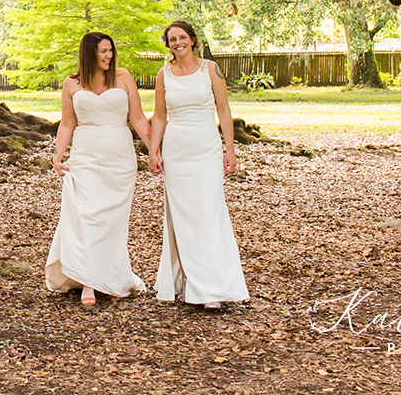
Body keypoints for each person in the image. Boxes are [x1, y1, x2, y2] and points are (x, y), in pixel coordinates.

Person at [45, 31, 155, 307]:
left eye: (110, 50)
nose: (109, 56)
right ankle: (88, 282)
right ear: (89, 53)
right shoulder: (71, 84)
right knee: (87, 215)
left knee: (111, 221)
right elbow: (68, 123)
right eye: (103, 51)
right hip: (85, 157)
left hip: (119, 159)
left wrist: (154, 149)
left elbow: (138, 117)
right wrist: (58, 154)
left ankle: (110, 275)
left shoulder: (124, 77)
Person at [148, 20, 249, 309]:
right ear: (167, 44)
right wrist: (154, 151)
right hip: (177, 150)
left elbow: (224, 110)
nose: (177, 42)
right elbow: (159, 115)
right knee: (182, 218)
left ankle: (212, 287)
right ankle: (185, 281)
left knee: (208, 213)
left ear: (192, 40)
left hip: (206, 148)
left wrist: (229, 150)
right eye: (171, 39)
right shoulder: (163, 74)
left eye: (182, 37)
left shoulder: (210, 69)